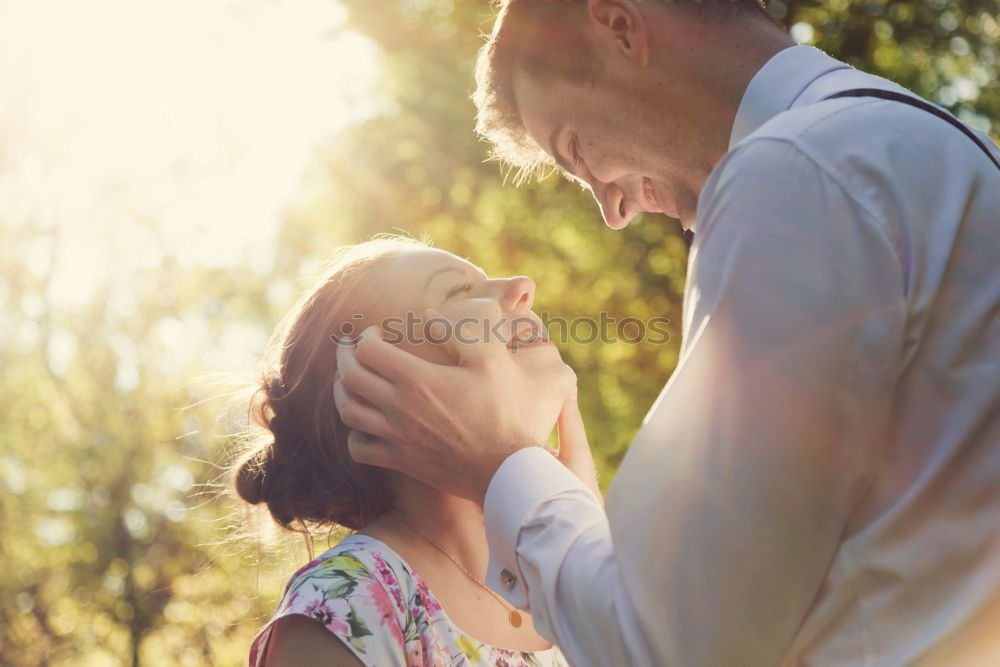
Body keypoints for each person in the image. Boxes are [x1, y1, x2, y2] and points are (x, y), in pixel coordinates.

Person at [332, 1, 1000, 665]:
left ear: (620, 27)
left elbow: (677, 646)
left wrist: (501, 466)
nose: (613, 208)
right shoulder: (928, 149)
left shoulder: (798, 171)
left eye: (576, 149)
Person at [234, 237, 595, 666]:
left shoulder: (587, 579)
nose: (522, 286)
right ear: (369, 380)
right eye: (458, 291)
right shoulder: (345, 605)